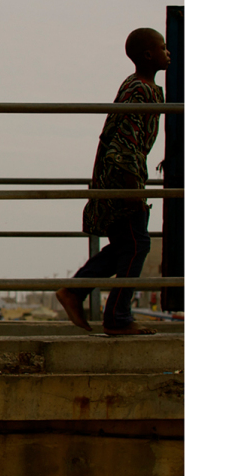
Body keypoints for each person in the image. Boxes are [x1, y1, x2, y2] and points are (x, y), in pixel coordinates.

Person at [56, 28, 170, 336]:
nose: (168, 51)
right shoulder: (139, 90)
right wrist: (132, 187)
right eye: (163, 47)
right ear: (149, 55)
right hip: (122, 176)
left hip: (125, 174)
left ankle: (74, 291)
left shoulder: (148, 89)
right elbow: (124, 142)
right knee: (137, 245)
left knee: (125, 244)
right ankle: (117, 318)